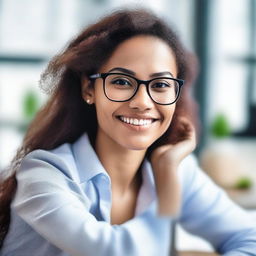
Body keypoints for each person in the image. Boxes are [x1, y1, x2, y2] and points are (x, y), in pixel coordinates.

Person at [0, 8, 255, 256]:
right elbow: (114, 251)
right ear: (89, 88)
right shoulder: (44, 174)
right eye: (122, 81)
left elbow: (249, 239)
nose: (142, 102)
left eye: (161, 84)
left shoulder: (177, 171)